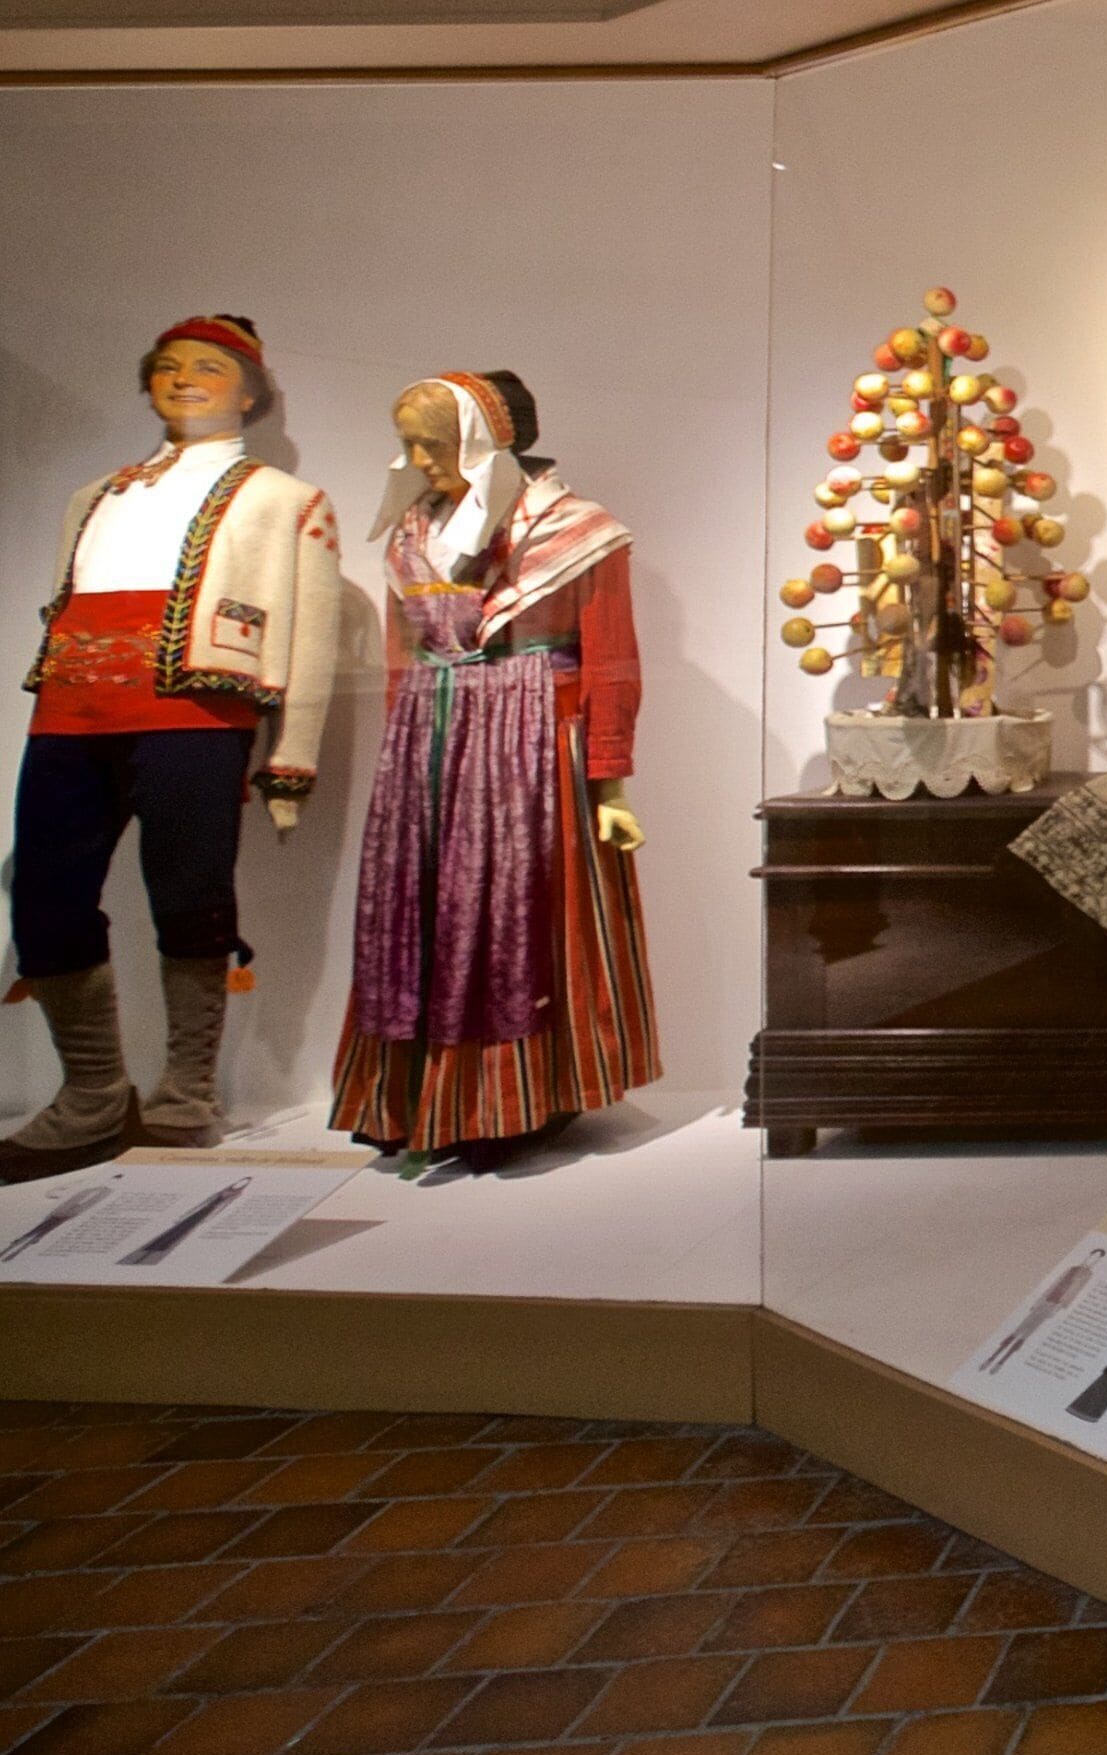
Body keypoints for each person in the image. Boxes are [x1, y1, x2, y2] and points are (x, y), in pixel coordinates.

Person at [8, 314, 340, 1175]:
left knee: (190, 896)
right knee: (43, 895)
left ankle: (185, 1094)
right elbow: (63, 603)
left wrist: (291, 756)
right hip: (72, 711)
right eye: (165, 367)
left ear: (251, 391)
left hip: (196, 713)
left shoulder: (283, 500)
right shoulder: (95, 496)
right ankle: (90, 1096)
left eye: (206, 367)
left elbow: (309, 635)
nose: (183, 379)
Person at [328, 371, 657, 1168]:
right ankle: (410, 1093)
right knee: (417, 912)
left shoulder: (579, 531)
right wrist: (401, 753)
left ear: (483, 442)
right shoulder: (414, 531)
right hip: (431, 747)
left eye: (430, 445)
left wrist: (608, 778)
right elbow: (404, 652)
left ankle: (513, 1098)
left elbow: (611, 657)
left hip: (533, 744)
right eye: (406, 443)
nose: (414, 460)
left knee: (518, 915)